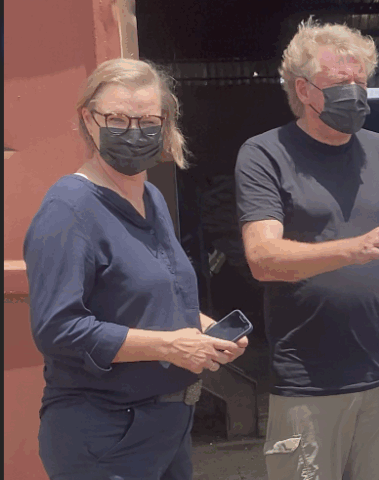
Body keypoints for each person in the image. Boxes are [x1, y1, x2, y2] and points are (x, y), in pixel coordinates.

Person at [234, 19, 379, 480]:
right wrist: (356, 248)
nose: (354, 94)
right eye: (340, 84)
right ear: (304, 89)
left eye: (361, 83)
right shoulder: (265, 154)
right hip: (308, 389)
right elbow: (263, 257)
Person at [24, 58, 248, 480]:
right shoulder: (67, 209)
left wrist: (204, 331)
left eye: (147, 120)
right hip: (106, 434)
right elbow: (58, 329)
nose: (133, 131)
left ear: (165, 123)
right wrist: (168, 347)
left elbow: (156, 298)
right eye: (117, 119)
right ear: (88, 119)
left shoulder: (151, 198)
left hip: (166, 430)